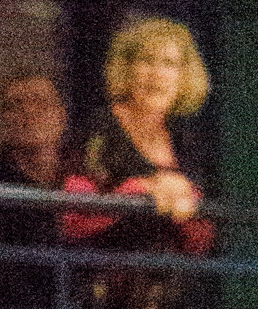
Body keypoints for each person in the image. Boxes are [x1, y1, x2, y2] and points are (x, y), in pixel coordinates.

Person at [64, 19, 214, 257]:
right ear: (126, 69)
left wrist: (189, 207)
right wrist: (144, 189)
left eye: (169, 63)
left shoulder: (185, 137)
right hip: (104, 269)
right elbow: (74, 222)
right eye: (147, 60)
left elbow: (201, 241)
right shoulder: (99, 127)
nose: (157, 74)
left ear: (184, 76)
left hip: (170, 274)